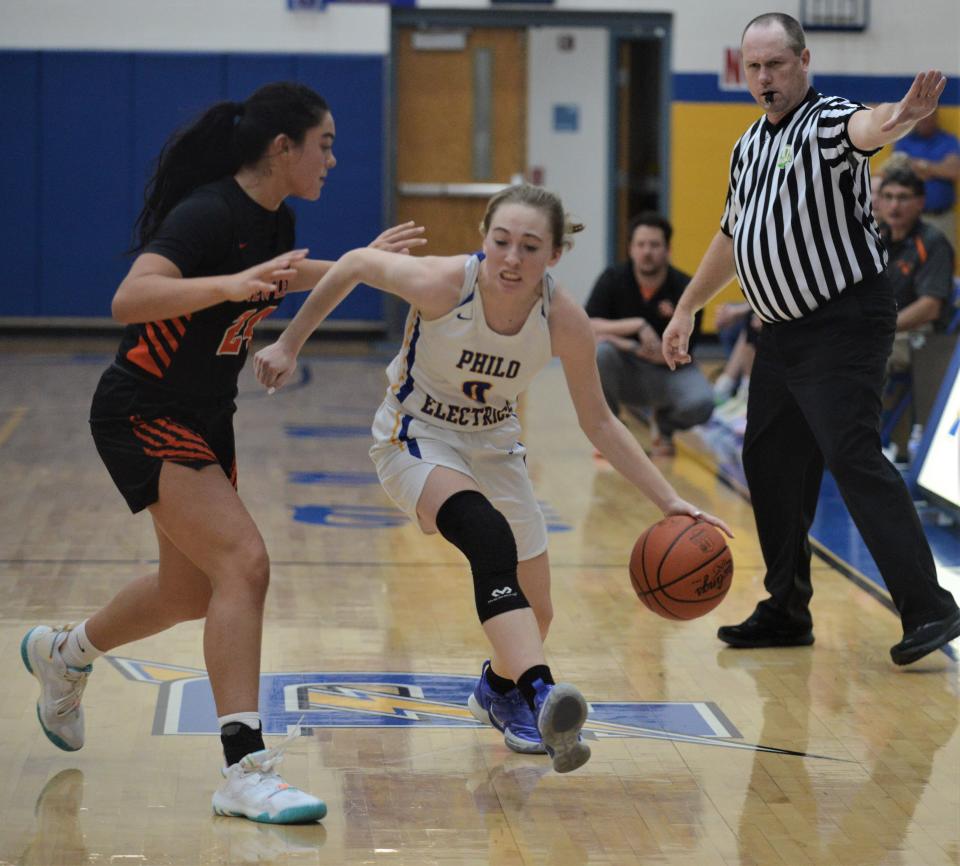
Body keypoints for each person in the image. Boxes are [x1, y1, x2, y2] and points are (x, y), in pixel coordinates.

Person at [19, 81, 426, 824]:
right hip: (143, 407)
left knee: (192, 592)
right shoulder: (207, 214)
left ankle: (66, 652)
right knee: (245, 563)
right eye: (325, 144)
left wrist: (361, 264)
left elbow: (288, 275)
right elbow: (129, 299)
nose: (333, 158)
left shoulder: (277, 220)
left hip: (207, 415)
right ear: (283, 148)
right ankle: (245, 769)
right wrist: (224, 286)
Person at [254, 183, 732, 768]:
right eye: (501, 241)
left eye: (530, 247)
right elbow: (354, 263)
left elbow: (601, 422)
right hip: (414, 435)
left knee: (539, 612)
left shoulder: (563, 318)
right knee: (488, 537)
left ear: (554, 256)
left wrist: (670, 502)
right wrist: (288, 342)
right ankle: (540, 691)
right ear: (483, 238)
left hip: (495, 446)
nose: (512, 258)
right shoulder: (441, 283)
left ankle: (498, 693)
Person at [661, 13, 960, 665]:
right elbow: (730, 234)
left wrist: (903, 116)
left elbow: (868, 126)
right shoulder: (747, 146)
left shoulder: (825, 123)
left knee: (851, 454)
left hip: (843, 323)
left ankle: (929, 606)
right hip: (784, 333)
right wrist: (687, 308)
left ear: (802, 62)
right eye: (754, 67)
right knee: (769, 464)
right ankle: (786, 609)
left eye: (776, 64)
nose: (764, 78)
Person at [585, 212, 714, 457]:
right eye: (640, 245)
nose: (647, 251)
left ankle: (663, 426)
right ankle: (610, 432)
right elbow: (586, 325)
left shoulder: (686, 288)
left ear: (668, 250)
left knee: (703, 402)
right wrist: (637, 327)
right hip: (624, 370)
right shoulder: (613, 279)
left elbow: (680, 354)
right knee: (601, 354)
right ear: (631, 249)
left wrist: (613, 337)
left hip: (668, 372)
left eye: (654, 245)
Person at [894, 108, 960, 245]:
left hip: (944, 217)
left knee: (944, 263)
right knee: (913, 263)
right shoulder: (903, 142)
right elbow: (902, 175)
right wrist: (939, 168)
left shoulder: (949, 140)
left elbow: (954, 171)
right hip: (912, 219)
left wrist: (922, 166)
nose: (925, 120)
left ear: (936, 117)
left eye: (929, 116)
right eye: (921, 116)